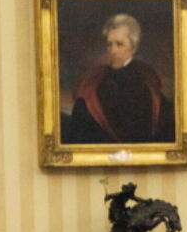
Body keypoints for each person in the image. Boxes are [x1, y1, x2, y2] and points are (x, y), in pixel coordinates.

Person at [63, 14, 175, 144]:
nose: (113, 51)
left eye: (119, 44)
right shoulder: (94, 81)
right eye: (109, 44)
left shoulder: (147, 81)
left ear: (133, 48)